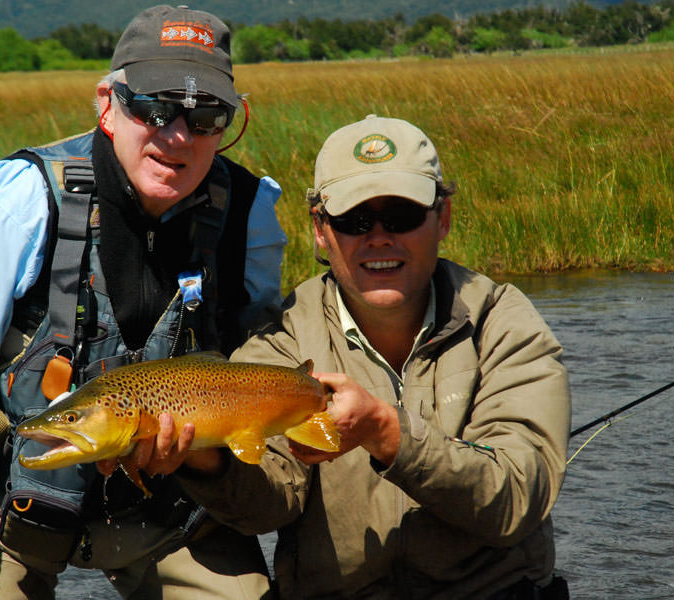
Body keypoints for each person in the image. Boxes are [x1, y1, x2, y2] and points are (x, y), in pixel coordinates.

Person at [0, 5, 284, 599]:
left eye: (205, 115)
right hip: (7, 496)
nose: (179, 136)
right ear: (108, 106)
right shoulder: (15, 200)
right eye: (155, 108)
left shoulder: (248, 212)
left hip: (168, 503)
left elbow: (259, 362)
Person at [169, 115, 572, 598]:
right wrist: (206, 460)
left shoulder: (501, 321)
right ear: (320, 229)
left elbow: (517, 498)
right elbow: (267, 508)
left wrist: (387, 435)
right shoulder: (284, 338)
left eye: (401, 217)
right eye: (355, 221)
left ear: (442, 218)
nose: (379, 237)